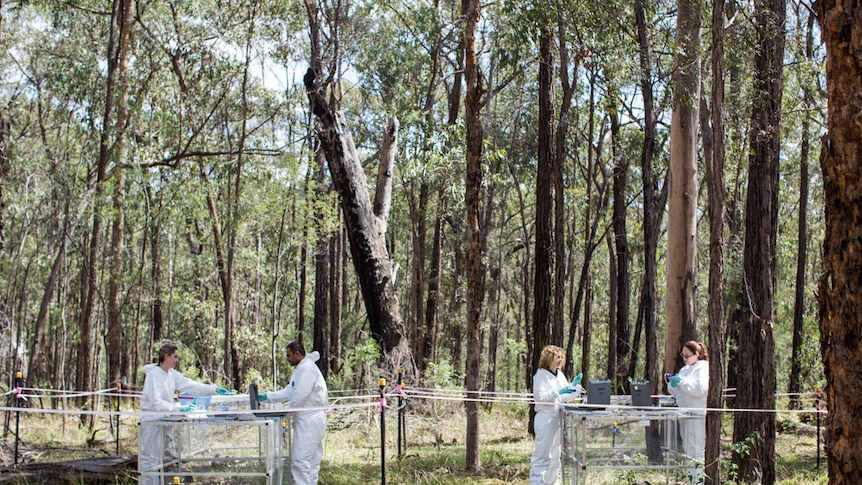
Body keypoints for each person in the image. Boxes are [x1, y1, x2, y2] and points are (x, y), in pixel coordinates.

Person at [139, 342, 232, 485]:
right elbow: (156, 402)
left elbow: (190, 385)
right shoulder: (153, 375)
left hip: (164, 421)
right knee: (149, 459)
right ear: (166, 356)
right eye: (175, 357)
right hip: (151, 422)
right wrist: (178, 408)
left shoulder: (171, 374)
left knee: (160, 460)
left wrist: (214, 389)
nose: (177, 360)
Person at [258, 341, 328, 485]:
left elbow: (299, 397)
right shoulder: (300, 369)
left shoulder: (307, 368)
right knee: (311, 461)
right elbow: (290, 391)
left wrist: (284, 411)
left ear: (297, 354)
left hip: (310, 420)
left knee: (299, 460)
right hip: (308, 420)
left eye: (289, 356)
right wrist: (267, 396)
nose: (287, 359)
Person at [530, 345, 582, 485]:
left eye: (561, 357)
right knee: (542, 454)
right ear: (548, 358)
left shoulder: (560, 375)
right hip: (545, 418)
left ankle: (552, 482)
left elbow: (565, 397)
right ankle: (537, 482)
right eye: (556, 357)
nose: (559, 360)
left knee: (555, 456)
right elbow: (540, 396)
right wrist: (558, 392)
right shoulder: (540, 375)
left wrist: (575, 389)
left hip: (558, 418)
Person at [667, 340, 709, 482]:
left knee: (696, 449)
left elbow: (699, 390)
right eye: (683, 356)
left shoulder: (702, 367)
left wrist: (682, 382)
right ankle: (691, 479)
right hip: (684, 413)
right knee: (687, 448)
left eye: (687, 356)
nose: (685, 359)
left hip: (696, 414)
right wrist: (673, 383)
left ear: (697, 354)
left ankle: (698, 481)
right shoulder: (685, 369)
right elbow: (676, 391)